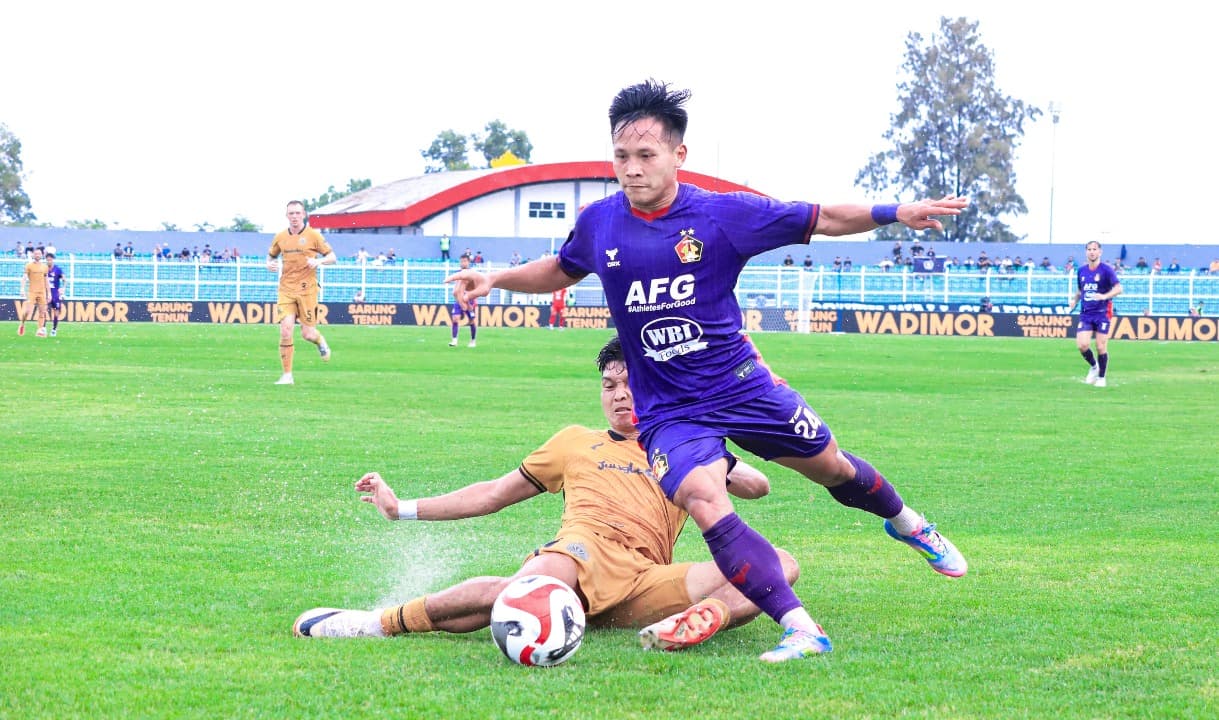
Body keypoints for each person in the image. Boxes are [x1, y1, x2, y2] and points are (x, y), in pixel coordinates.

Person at [447, 79, 969, 662]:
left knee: (833, 469)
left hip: (740, 385)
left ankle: (906, 522)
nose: (632, 168)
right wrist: (495, 278)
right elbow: (562, 269)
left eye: (646, 155)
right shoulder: (600, 223)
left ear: (678, 155)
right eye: (621, 156)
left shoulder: (723, 215)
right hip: (668, 410)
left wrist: (897, 212)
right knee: (702, 495)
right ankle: (800, 627)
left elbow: (820, 218)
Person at [294, 336, 794, 653]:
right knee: (516, 595)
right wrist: (399, 508)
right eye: (609, 385)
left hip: (645, 577)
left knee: (781, 563)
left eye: (631, 384)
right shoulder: (574, 441)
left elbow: (759, 486)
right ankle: (376, 624)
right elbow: (492, 494)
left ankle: (697, 622)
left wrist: (712, 456)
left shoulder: (684, 446)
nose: (620, 394)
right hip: (580, 550)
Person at [266, 200, 336, 385]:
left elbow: (332, 257)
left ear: (304, 214)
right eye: (291, 213)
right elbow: (271, 255)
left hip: (307, 290)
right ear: (286, 216)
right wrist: (269, 264)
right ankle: (287, 375)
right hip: (286, 289)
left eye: (298, 213)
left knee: (307, 334)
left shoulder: (313, 235)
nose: (295, 217)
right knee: (286, 330)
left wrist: (319, 262)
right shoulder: (280, 237)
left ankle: (320, 341)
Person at [1068, 240, 1123, 388]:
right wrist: (1074, 301)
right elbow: (1081, 290)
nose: (1092, 252)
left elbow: (1119, 289)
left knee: (1100, 346)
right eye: (1089, 249)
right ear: (1086, 252)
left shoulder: (1106, 270)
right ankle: (1094, 366)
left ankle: (1101, 378)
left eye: (1095, 249)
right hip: (1086, 313)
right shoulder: (1081, 271)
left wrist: (1104, 296)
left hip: (1102, 313)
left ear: (1100, 252)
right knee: (1082, 345)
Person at [18, 247, 50, 337]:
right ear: (33, 255)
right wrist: (22, 288)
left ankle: (40, 330)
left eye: (39, 254)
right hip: (32, 292)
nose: (37, 255)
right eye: (36, 254)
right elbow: (24, 277)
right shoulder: (29, 266)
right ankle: (22, 324)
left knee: (42, 312)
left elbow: (46, 280)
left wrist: (49, 293)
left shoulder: (44, 267)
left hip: (42, 292)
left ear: (41, 255)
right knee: (27, 311)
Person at [448, 255, 478, 347]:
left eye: (465, 261)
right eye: (461, 261)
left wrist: (473, 299)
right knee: (455, 318)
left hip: (469, 299)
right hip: (459, 299)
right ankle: (454, 341)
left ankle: (473, 341)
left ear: (468, 262)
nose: (463, 263)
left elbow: (475, 287)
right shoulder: (458, 274)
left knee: (471, 321)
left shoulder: (472, 274)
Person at [45, 253, 65, 336]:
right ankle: (43, 328)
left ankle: (54, 329)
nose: (49, 261)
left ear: (53, 260)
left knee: (56, 312)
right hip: (46, 293)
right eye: (48, 259)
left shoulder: (58, 269)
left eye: (50, 259)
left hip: (55, 294)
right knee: (44, 310)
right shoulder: (44, 269)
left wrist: (63, 288)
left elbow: (64, 280)